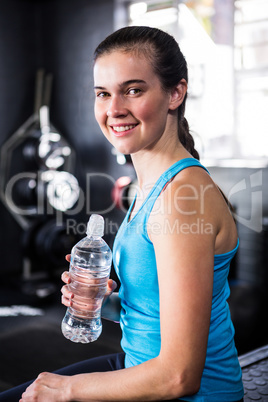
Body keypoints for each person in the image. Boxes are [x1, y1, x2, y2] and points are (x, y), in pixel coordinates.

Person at [1, 25, 244, 401]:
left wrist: (69, 390)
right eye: (103, 93)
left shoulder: (182, 198)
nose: (114, 109)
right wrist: (103, 298)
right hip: (140, 366)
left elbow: (179, 377)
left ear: (175, 93)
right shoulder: (152, 185)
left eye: (133, 90)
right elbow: (154, 314)